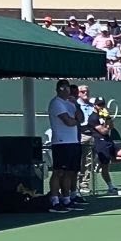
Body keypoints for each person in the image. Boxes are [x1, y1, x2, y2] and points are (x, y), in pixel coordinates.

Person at [46, 79, 84, 213]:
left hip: (73, 142)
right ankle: (54, 200)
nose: (67, 91)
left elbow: (81, 119)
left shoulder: (71, 103)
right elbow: (68, 121)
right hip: (61, 143)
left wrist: (77, 107)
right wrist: (75, 120)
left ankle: (67, 199)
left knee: (70, 172)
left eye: (67, 88)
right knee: (58, 172)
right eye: (63, 89)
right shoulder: (56, 103)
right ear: (58, 90)